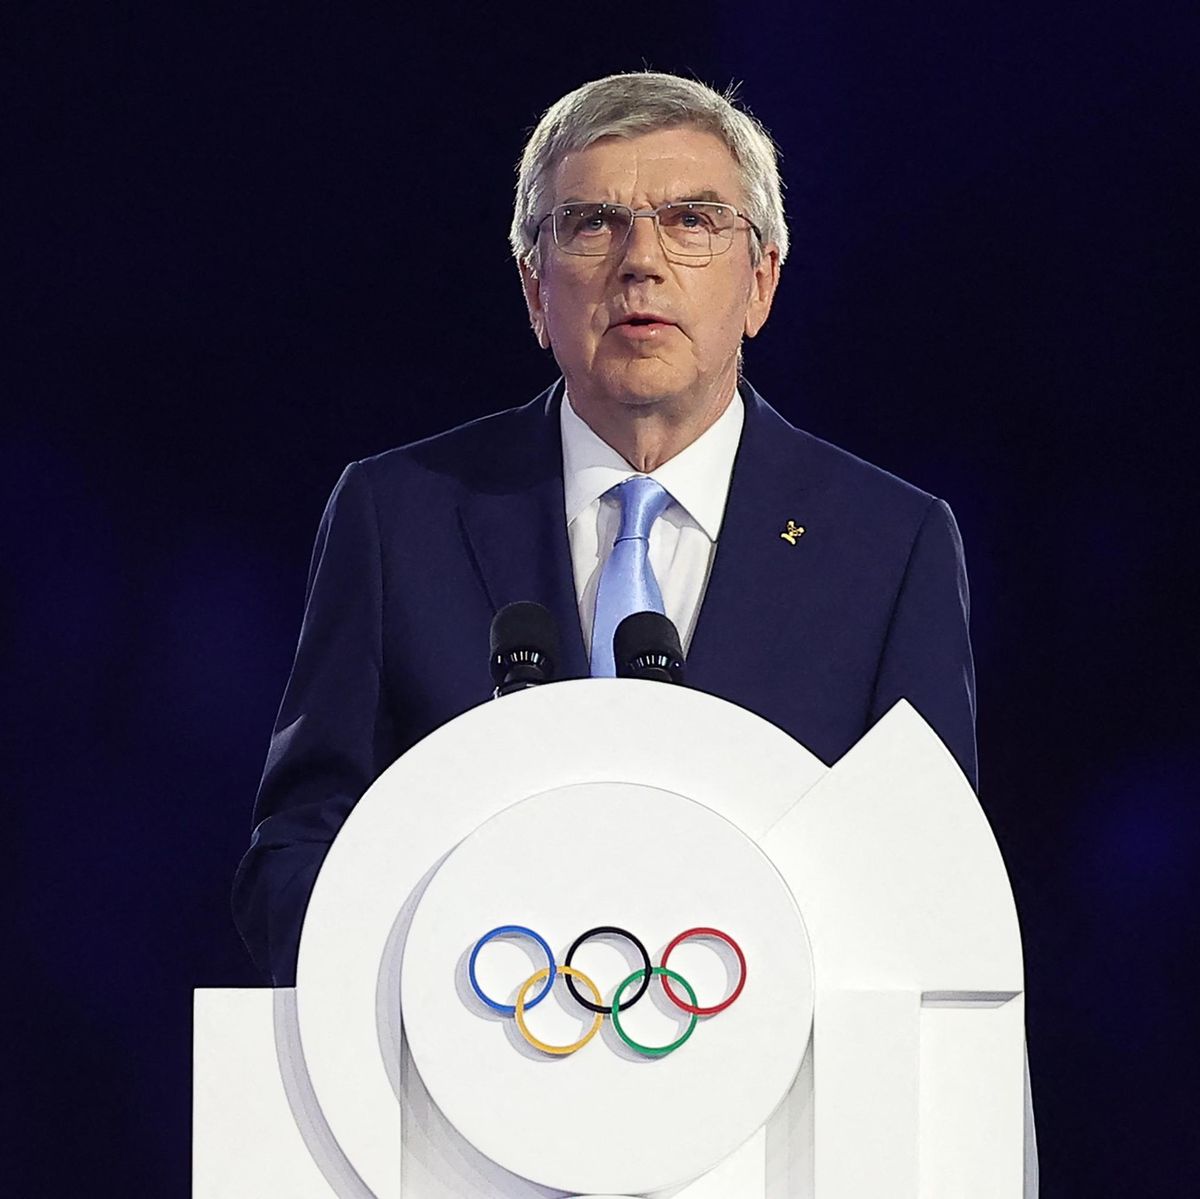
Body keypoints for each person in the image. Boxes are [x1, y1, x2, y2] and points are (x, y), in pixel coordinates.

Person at [234, 70, 975, 984]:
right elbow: (298, 857)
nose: (641, 262)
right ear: (535, 289)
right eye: (592, 224)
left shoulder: (889, 546)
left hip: (782, 1108)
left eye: (693, 219)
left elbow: (932, 892)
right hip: (463, 1079)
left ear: (762, 281)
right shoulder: (397, 518)